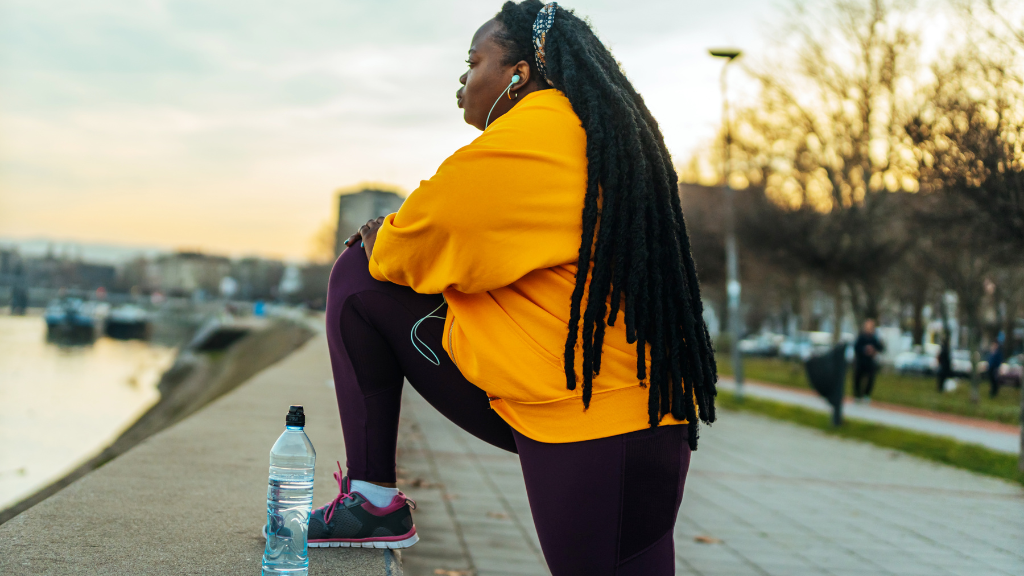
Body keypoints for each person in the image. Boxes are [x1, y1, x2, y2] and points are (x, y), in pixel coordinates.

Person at [314, 3, 719, 574]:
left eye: (474, 61)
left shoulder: (542, 128)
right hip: (632, 416)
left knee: (358, 273)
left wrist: (383, 238)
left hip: (591, 425)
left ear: (518, 75)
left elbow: (421, 237)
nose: (463, 78)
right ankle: (372, 503)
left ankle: (372, 499)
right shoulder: (585, 129)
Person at [853, 319, 885, 403]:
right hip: (861, 361)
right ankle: (857, 395)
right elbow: (856, 347)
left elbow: (881, 348)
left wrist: (873, 350)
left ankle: (866, 395)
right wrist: (864, 349)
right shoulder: (861, 337)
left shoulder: (875, 338)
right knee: (858, 378)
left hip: (870, 362)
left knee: (870, 379)